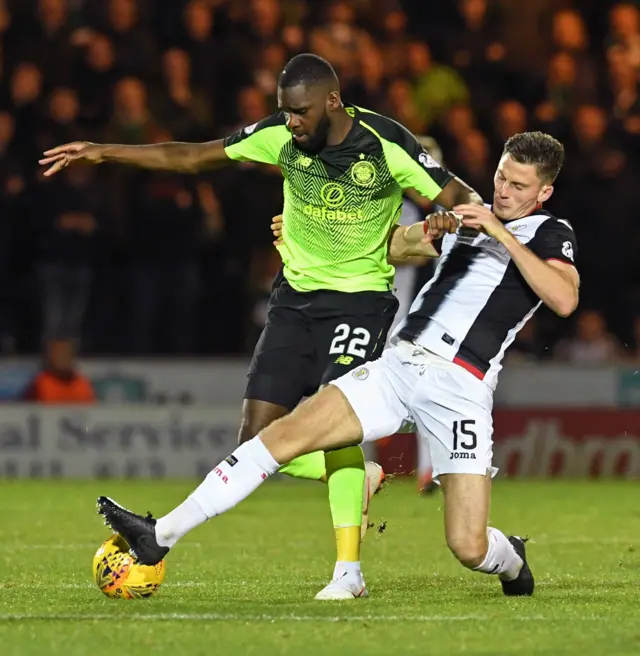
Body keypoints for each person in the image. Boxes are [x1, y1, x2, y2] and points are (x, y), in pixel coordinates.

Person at [41, 53, 481, 600]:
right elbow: (192, 157)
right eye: (284, 113)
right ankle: (355, 475)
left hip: (360, 304)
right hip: (294, 302)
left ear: (332, 103)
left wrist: (455, 221)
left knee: (334, 417)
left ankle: (349, 573)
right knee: (253, 441)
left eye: (299, 113)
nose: (291, 124)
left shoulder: (385, 142)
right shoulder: (280, 136)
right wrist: (103, 151)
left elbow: (462, 198)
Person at [95, 131, 579, 598]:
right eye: (500, 177)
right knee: (281, 436)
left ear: (544, 191)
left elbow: (563, 298)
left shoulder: (548, 232)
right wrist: (314, 233)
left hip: (461, 386)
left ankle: (510, 556)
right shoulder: (466, 217)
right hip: (399, 366)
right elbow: (388, 247)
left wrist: (502, 233)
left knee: (467, 546)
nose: (503, 190)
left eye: (518, 185)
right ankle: (159, 536)